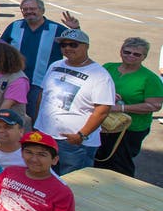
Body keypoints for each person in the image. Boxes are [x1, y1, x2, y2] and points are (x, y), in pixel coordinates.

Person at [36, 29, 114, 175]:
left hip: (74, 142)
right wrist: (38, 123)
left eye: (73, 44)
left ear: (86, 46)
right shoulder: (55, 65)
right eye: (64, 45)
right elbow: (43, 93)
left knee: (73, 182)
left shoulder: (100, 75)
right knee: (48, 177)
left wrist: (81, 135)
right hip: (47, 134)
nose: (67, 48)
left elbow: (102, 110)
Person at [0, 0, 79, 121]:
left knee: (38, 119)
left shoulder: (57, 29)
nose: (28, 12)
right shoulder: (15, 26)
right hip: (15, 80)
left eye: (32, 8)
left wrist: (75, 30)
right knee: (10, 117)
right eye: (24, 9)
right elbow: (1, 48)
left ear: (42, 10)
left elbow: (77, 49)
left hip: (42, 84)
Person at [95, 37, 162, 177]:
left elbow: (154, 106)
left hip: (129, 129)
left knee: (120, 164)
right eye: (127, 52)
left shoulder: (149, 78)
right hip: (103, 124)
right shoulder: (108, 67)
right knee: (98, 161)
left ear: (144, 57)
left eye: (137, 54)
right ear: (121, 51)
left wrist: (121, 108)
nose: (131, 56)